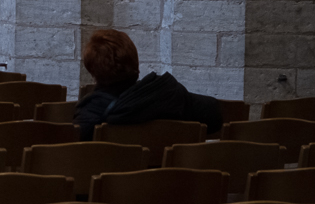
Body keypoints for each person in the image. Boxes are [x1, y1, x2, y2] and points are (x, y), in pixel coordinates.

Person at [74, 29, 223, 140]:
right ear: (135, 61)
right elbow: (215, 115)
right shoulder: (168, 94)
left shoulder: (90, 115)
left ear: (92, 70)